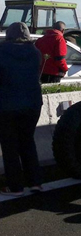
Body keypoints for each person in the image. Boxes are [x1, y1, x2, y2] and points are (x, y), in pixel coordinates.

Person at [0, 22, 44, 196]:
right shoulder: (35, 53)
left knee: (10, 146)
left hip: (6, 105)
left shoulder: (1, 51)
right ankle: (35, 182)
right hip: (32, 105)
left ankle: (15, 186)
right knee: (27, 142)